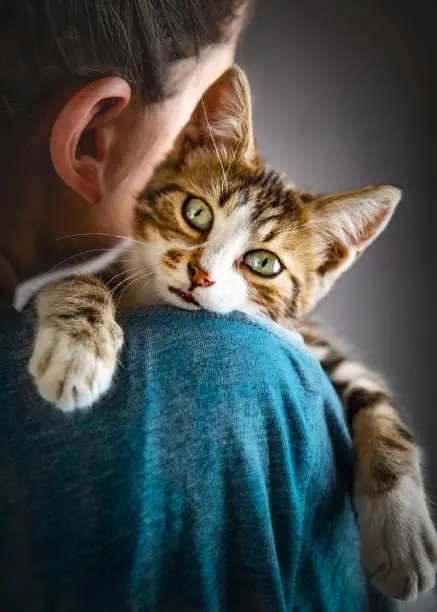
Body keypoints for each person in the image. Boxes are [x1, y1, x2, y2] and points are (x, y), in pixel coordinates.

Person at [0, 2, 397, 610]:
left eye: (260, 262)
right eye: (196, 120)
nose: (205, 270)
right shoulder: (231, 371)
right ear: (90, 139)